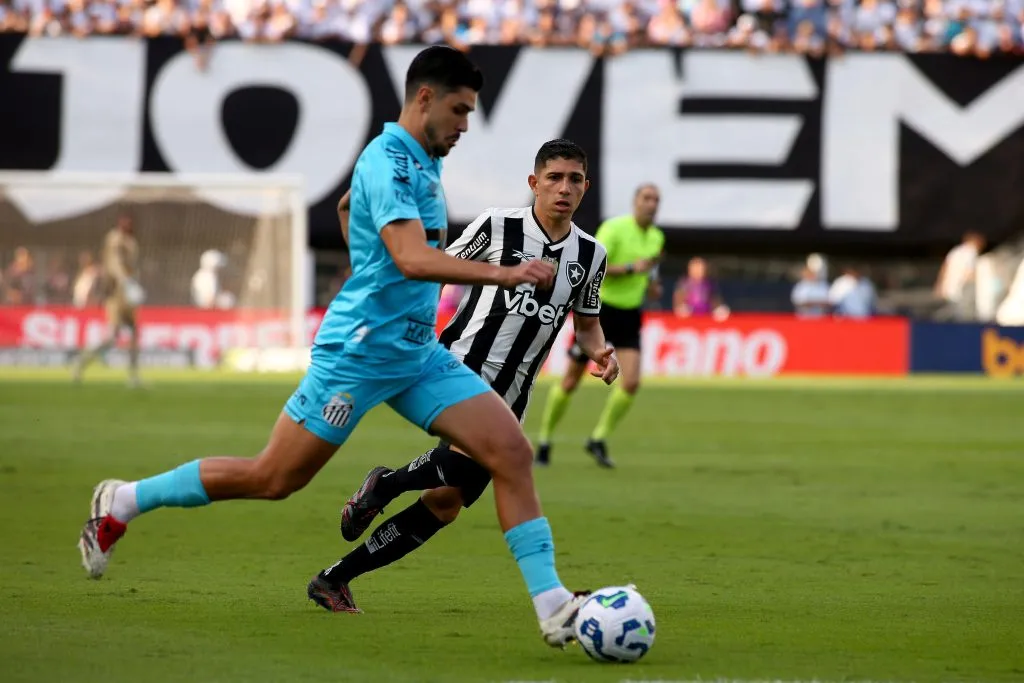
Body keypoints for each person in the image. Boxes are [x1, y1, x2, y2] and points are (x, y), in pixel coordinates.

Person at [76, 46, 585, 649]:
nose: (465, 126)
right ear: (425, 98)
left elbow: (350, 210)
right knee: (273, 478)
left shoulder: (422, 157)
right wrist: (506, 274)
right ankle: (125, 499)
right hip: (359, 353)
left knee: (511, 452)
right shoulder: (392, 161)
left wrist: (369, 265)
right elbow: (411, 257)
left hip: (417, 352)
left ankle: (553, 607)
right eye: (459, 110)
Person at [309, 139, 617, 613]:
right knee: (465, 465)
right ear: (534, 183)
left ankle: (335, 578)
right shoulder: (498, 224)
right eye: (554, 177)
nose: (564, 188)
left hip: (515, 392)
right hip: (460, 368)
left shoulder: (591, 256)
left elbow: (588, 324)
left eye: (574, 179)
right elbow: (441, 269)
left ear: (586, 187)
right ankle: (385, 485)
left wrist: (601, 352)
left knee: (446, 503)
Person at [535, 184, 664, 468]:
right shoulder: (614, 229)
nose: (652, 204)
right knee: (571, 380)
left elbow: (650, 271)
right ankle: (544, 440)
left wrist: (652, 286)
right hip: (599, 312)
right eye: (647, 198)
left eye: (656, 200)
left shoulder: (656, 237)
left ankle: (598, 439)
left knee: (631, 382)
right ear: (635, 201)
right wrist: (631, 269)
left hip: (630, 315)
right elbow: (596, 268)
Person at [72, 214, 143, 387]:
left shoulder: (131, 242)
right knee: (112, 337)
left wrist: (132, 283)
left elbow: (130, 266)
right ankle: (81, 362)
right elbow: (115, 264)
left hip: (126, 294)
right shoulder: (115, 239)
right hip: (115, 296)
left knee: (134, 334)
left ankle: (133, 376)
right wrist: (126, 281)